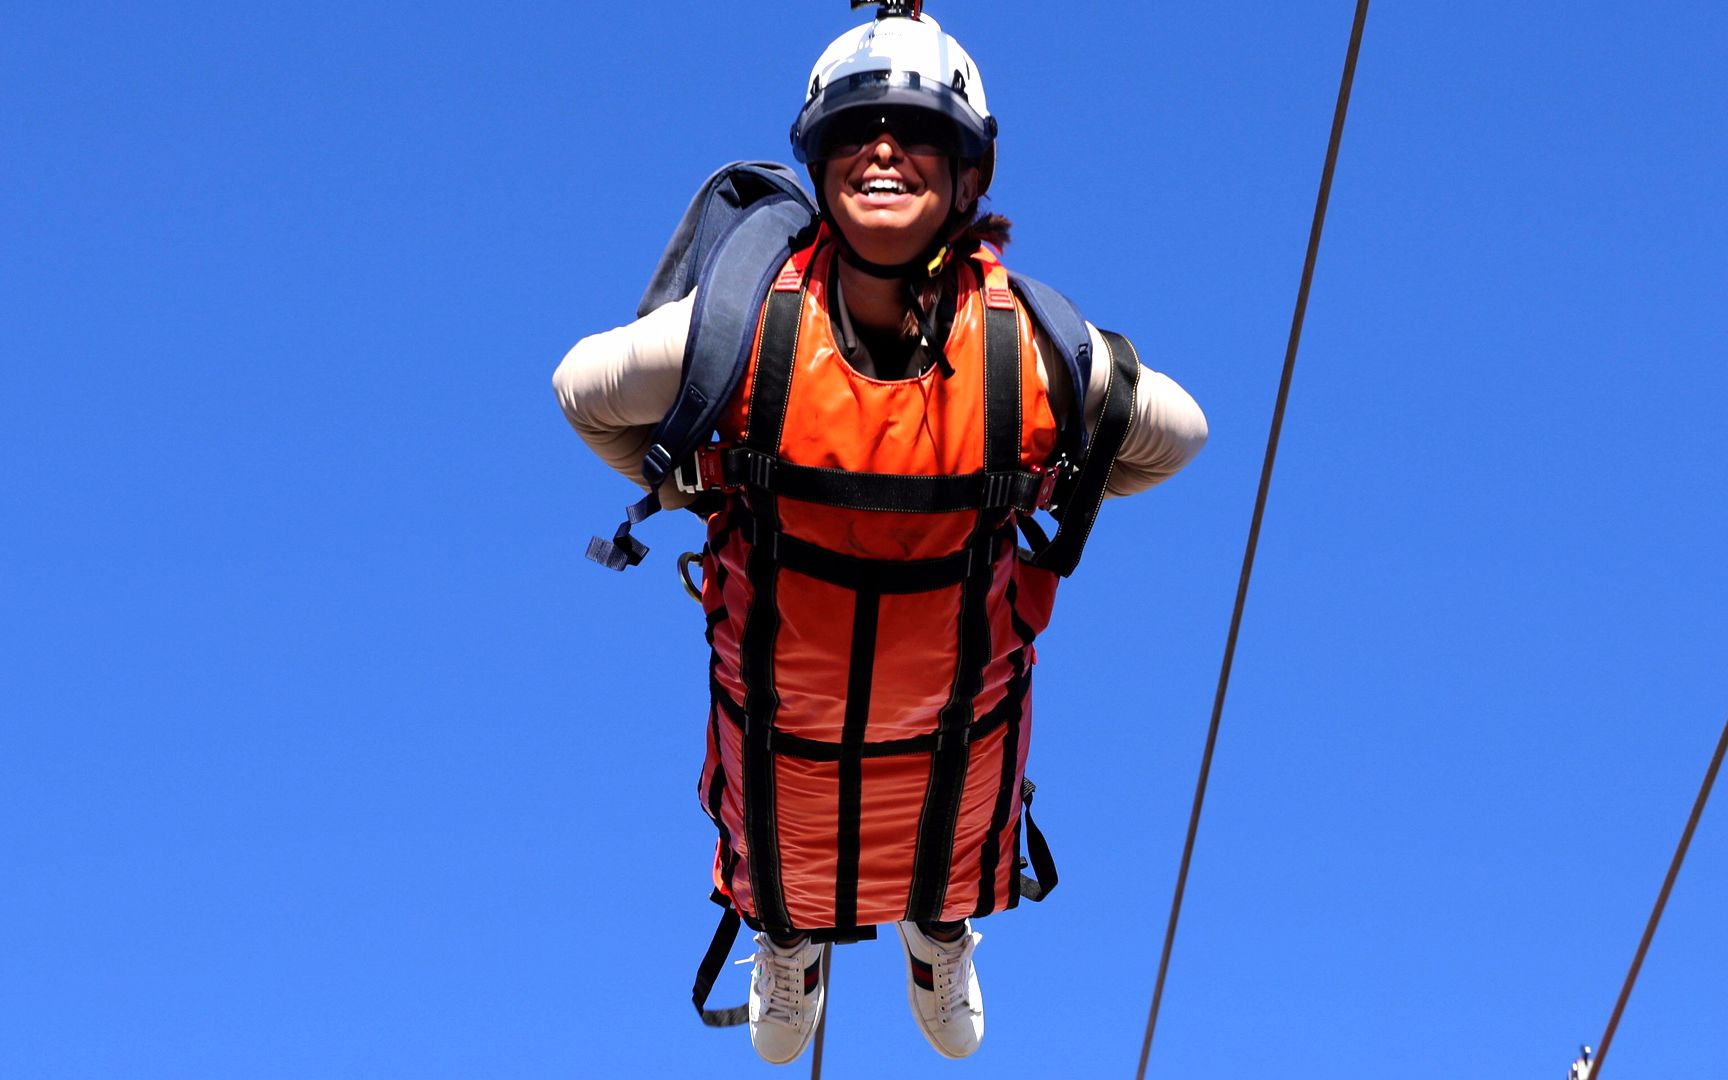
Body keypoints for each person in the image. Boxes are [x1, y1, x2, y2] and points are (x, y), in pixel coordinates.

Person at [554, 4, 1207, 1065]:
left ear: (968, 177)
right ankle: (789, 933)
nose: (887, 151)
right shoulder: (746, 329)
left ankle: (936, 926)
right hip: (784, 713)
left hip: (953, 712)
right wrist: (698, 486)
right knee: (783, 820)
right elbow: (582, 388)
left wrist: (1045, 482)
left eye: (920, 133)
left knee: (954, 809)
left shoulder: (1023, 353)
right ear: (819, 165)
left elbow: (1177, 431)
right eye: (858, 131)